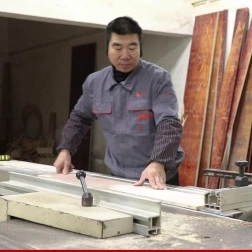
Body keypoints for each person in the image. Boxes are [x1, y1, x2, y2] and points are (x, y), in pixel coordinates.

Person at [54, 16, 184, 190]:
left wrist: (158, 162)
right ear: (107, 48)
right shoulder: (95, 82)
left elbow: (169, 123)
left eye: (132, 47)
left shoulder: (158, 79)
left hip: (158, 174)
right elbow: (80, 118)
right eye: (117, 47)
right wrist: (66, 150)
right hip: (118, 175)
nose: (125, 55)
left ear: (140, 48)